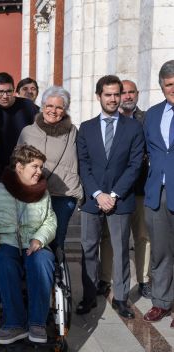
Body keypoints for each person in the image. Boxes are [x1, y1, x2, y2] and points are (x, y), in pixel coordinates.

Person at [0, 144, 57, 345]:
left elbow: (50, 221)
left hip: (33, 242)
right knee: (3, 262)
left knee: (43, 261)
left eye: (41, 167)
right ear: (19, 166)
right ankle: (15, 323)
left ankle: (37, 323)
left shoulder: (43, 193)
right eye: (35, 166)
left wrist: (40, 238)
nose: (39, 171)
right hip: (5, 241)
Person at [76, 75, 144, 319]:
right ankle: (89, 296)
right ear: (99, 97)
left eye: (117, 94)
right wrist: (97, 194)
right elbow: (83, 164)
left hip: (121, 199)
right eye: (108, 94)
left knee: (121, 249)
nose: (114, 99)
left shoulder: (134, 127)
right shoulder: (86, 128)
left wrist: (113, 194)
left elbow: (135, 165)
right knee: (89, 248)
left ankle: (122, 297)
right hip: (92, 199)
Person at [99, 79, 151, 298]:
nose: (128, 96)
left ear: (137, 94)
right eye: (124, 92)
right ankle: (105, 279)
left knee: (142, 237)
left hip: (141, 188)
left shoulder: (147, 119)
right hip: (113, 191)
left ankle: (144, 280)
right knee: (109, 237)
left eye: (131, 92)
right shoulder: (110, 120)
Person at [18, 86, 82, 252]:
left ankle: (56, 274)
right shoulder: (28, 131)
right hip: (33, 194)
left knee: (56, 238)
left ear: (65, 110)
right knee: (33, 238)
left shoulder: (73, 132)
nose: (53, 110)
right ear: (42, 106)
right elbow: (16, 162)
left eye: (59, 107)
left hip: (62, 194)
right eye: (49, 106)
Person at [142, 60, 174, 327]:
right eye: (169, 85)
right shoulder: (152, 114)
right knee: (160, 251)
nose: (173, 89)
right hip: (157, 191)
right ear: (162, 87)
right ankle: (162, 302)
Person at [0, 72, 38, 168]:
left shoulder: (28, 106)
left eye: (9, 91)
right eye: (0, 92)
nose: (5, 96)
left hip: (24, 165)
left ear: (14, 90)